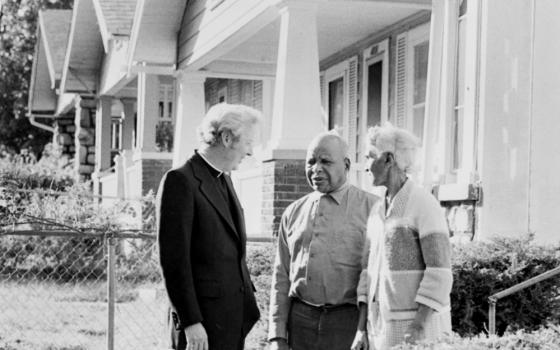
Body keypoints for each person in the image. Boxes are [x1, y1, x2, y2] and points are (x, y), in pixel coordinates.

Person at [156, 103, 262, 350]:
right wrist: (191, 321)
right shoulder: (180, 181)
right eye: (248, 143)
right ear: (227, 138)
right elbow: (174, 261)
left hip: (230, 320)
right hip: (201, 326)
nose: (250, 152)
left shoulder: (223, 178)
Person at [268, 131, 379, 350]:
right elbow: (281, 277)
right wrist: (277, 336)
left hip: (347, 323)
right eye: (311, 162)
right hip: (300, 322)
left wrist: (363, 329)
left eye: (325, 161)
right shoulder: (293, 212)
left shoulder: (373, 209)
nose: (316, 169)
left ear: (346, 164)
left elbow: (376, 278)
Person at [355, 123, 453, 349]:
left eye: (371, 156)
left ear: (388, 160)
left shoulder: (424, 204)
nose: (367, 165)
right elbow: (366, 275)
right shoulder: (376, 211)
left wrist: (418, 327)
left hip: (420, 331)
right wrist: (361, 329)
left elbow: (440, 273)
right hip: (380, 331)